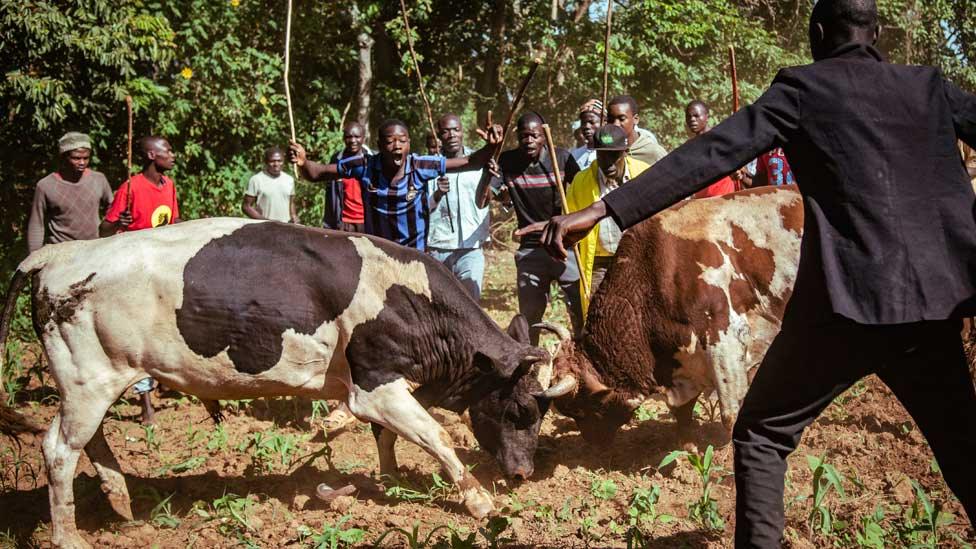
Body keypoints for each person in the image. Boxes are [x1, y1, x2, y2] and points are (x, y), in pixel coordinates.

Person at [525, 0, 976, 545]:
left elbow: (710, 154)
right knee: (963, 449)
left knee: (763, 433)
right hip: (934, 306)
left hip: (845, 306)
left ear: (814, 33)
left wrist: (601, 209)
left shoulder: (804, 89)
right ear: (877, 32)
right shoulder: (929, 85)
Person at [289, 119, 501, 251]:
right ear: (380, 145)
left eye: (402, 141)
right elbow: (318, 173)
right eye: (390, 141)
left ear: (409, 143)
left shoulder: (420, 164)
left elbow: (470, 162)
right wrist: (303, 161)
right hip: (377, 253)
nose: (397, 146)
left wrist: (491, 146)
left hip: (414, 255)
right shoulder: (364, 165)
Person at [100, 135, 181, 425]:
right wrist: (117, 223)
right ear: (150, 155)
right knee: (140, 335)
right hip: (134, 272)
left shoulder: (169, 186)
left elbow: (171, 224)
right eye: (166, 151)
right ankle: (146, 403)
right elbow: (104, 229)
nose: (172, 155)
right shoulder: (131, 187)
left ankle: (169, 381)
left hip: (162, 269)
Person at [484, 112, 583, 344]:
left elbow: (583, 190)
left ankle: (582, 357)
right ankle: (530, 365)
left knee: (581, 308)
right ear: (518, 137)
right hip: (530, 250)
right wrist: (487, 173)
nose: (529, 141)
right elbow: (485, 198)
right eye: (524, 136)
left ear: (543, 136)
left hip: (564, 246)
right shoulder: (507, 162)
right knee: (529, 317)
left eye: (535, 136)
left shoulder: (562, 158)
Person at [566, 125, 650, 314]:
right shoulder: (581, 182)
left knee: (638, 313)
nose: (609, 163)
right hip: (599, 264)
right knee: (599, 316)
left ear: (626, 152)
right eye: (603, 156)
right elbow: (572, 220)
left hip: (637, 260)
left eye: (614, 156)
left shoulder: (645, 175)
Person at [427, 113, 491, 300]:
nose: (452, 135)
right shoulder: (430, 166)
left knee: (470, 306)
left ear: (463, 132)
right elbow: (422, 207)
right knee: (440, 307)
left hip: (471, 248)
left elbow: (487, 199)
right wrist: (437, 194)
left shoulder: (480, 162)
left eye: (456, 130)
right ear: (439, 137)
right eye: (446, 132)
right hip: (438, 247)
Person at [27, 132, 114, 253]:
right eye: (76, 158)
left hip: (94, 250)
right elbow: (37, 224)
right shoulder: (46, 185)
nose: (82, 163)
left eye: (86, 158)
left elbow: (113, 209)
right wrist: (34, 257)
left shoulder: (98, 179)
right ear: (64, 157)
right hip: (62, 253)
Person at [684, 100, 738, 198]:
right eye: (689, 116)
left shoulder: (720, 140)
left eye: (696, 116)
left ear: (706, 117)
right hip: (702, 202)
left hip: (723, 200)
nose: (692, 119)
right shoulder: (690, 146)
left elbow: (740, 169)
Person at [323, 122, 371, 232]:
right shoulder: (336, 160)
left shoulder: (373, 160)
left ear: (363, 138)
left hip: (368, 222)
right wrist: (330, 224)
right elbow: (331, 195)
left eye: (357, 137)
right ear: (344, 138)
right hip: (344, 223)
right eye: (349, 137)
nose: (353, 140)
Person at [606, 95, 668, 167]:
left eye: (622, 119)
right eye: (610, 120)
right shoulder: (606, 150)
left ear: (635, 119)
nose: (615, 124)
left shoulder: (654, 153)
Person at [242, 146, 296, 223]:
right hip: (265, 228)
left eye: (279, 161)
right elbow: (246, 207)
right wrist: (265, 221)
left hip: (286, 227)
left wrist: (294, 216)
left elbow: (291, 202)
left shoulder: (289, 179)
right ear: (266, 162)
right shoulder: (257, 180)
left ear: (284, 161)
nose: (276, 164)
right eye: (272, 161)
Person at [569, 99, 603, 170]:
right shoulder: (574, 155)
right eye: (583, 123)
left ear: (604, 123)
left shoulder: (611, 154)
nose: (586, 126)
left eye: (591, 122)